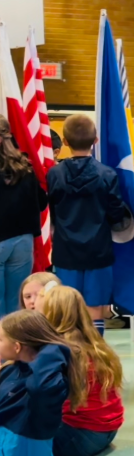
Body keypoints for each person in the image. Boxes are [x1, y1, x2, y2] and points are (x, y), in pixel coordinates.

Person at [47, 114, 134, 337]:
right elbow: (116, 213)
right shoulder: (107, 174)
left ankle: (71, 360)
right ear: (95, 140)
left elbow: (51, 211)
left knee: (67, 310)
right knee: (96, 308)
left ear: (65, 142)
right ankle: (94, 361)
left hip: (66, 251)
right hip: (99, 250)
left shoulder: (54, 174)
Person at [0, 310, 86, 456]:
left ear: (16, 346)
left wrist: (54, 347)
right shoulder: (14, 369)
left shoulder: (46, 386)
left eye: (0, 340)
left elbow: (41, 388)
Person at [42, 286, 124, 456]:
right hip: (108, 430)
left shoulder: (56, 350)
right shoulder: (95, 343)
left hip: (80, 435)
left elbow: (39, 394)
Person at [0, 116, 47, 316]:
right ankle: (15, 344)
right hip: (22, 241)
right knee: (17, 302)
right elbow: (42, 202)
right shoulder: (24, 165)